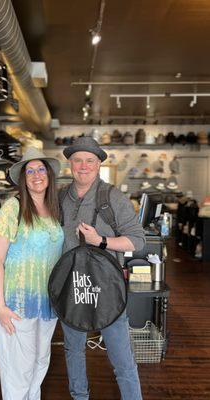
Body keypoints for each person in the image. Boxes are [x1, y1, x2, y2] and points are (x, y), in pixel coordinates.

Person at [60, 136, 145, 400]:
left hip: (107, 286)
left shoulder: (113, 196)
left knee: (120, 354)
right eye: (77, 160)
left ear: (98, 165)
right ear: (70, 165)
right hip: (71, 285)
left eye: (89, 161)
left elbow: (138, 241)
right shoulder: (61, 197)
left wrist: (101, 241)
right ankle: (80, 397)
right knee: (73, 349)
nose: (83, 166)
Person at [0, 147, 64, 400]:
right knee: (19, 370)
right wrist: (0, 306)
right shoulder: (13, 207)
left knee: (40, 362)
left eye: (41, 169)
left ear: (49, 175)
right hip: (17, 303)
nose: (36, 175)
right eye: (29, 171)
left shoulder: (54, 210)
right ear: (23, 178)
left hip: (48, 302)